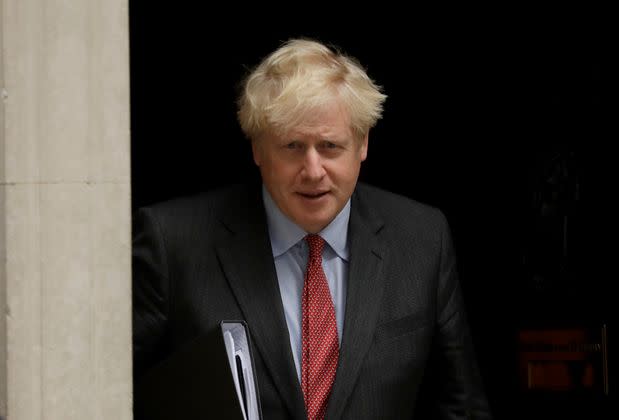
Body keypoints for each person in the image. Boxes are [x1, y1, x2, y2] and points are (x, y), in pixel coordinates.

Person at [133, 38, 492, 419]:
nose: (313, 170)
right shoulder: (172, 243)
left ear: (363, 143)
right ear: (257, 148)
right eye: (291, 146)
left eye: (330, 146)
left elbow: (461, 407)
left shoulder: (422, 239)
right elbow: (101, 392)